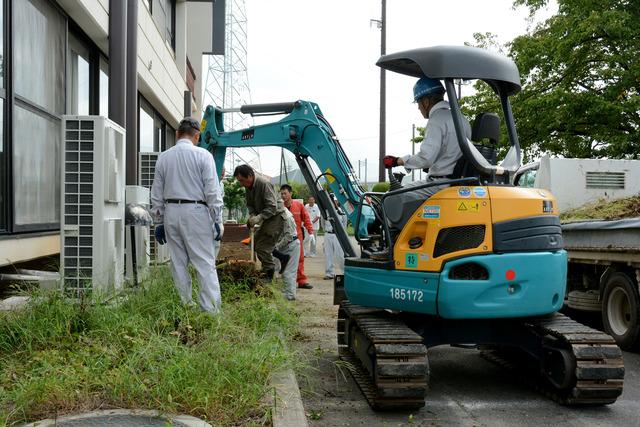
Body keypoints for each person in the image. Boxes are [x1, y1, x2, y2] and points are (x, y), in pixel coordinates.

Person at [150, 117, 224, 314]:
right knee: (204, 262)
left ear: (177, 134)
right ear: (197, 136)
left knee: (178, 261)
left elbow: (156, 192)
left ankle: (185, 305)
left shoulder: (164, 157)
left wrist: (159, 221)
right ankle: (210, 310)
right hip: (196, 211)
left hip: (171, 211)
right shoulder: (203, 155)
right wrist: (217, 218)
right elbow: (212, 191)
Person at [383, 76, 471, 231]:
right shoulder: (461, 119)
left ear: (426, 101)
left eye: (418, 103)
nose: (418, 108)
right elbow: (449, 153)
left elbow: (426, 158)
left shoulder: (436, 120)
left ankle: (392, 244)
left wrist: (398, 161)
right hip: (456, 181)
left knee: (390, 198)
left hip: (440, 184)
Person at [234, 164, 284, 282]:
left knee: (263, 247)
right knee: (254, 243)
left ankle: (269, 273)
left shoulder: (263, 183)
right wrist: (252, 215)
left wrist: (258, 218)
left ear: (250, 175)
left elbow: (272, 207)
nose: (241, 183)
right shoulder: (248, 186)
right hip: (266, 218)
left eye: (242, 180)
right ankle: (278, 261)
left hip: (276, 217)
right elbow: (250, 205)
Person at [280, 184, 314, 290]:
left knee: (299, 259)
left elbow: (306, 218)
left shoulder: (299, 205)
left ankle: (301, 281)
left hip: (297, 236)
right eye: (281, 194)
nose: (283, 196)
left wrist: (311, 231)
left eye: (285, 193)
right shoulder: (279, 207)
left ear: (290, 193)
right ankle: (286, 281)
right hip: (283, 238)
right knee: (282, 259)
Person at [274, 199, 300, 301]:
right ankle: (286, 292)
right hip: (285, 246)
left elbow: (288, 236)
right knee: (284, 271)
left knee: (289, 272)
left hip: (291, 246)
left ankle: (290, 295)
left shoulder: (287, 216)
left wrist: (277, 246)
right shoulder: (279, 215)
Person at [323, 194, 348, 280]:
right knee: (328, 254)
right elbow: (323, 223)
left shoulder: (341, 211)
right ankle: (329, 273)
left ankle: (345, 272)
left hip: (337, 235)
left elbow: (344, 224)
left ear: (336, 201)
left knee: (340, 255)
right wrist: (326, 231)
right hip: (328, 234)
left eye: (334, 200)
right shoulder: (325, 211)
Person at [213, 168, 226, 260]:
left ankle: (212, 265)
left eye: (223, 173)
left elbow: (220, 203)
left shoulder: (221, 184)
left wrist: (219, 221)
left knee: (216, 243)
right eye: (221, 173)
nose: (222, 175)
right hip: (208, 217)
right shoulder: (210, 182)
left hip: (218, 217)